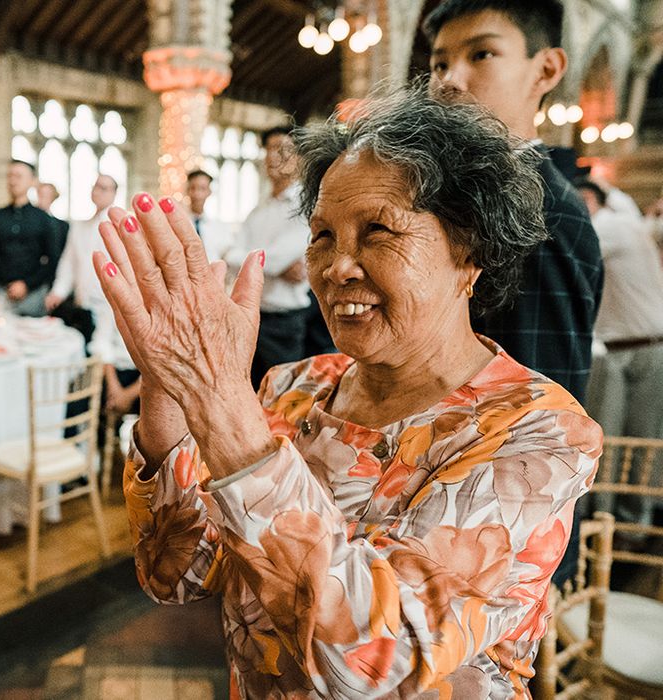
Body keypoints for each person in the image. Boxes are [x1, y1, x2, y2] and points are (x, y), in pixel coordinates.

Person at [92, 86, 601, 698]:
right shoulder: (292, 388)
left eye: (377, 231)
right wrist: (168, 383)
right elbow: (178, 572)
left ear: (469, 253)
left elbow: (370, 656)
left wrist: (218, 400)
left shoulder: (535, 431)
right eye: (323, 235)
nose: (337, 267)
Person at [424, 0, 604, 586]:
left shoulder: (541, 214)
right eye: (439, 61)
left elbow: (534, 411)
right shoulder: (479, 199)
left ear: (546, 70)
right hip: (446, 507)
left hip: (493, 541)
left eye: (481, 54)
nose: (449, 79)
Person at [576, 180, 663, 527]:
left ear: (592, 200)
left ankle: (626, 522)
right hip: (622, 349)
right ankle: (614, 519)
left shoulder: (611, 227)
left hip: (643, 348)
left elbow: (574, 253)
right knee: (620, 438)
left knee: (636, 441)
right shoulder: (623, 223)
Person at [224, 126, 313, 389]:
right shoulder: (258, 210)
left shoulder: (304, 205)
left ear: (298, 158)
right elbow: (231, 256)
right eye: (269, 149)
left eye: (283, 150)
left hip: (284, 322)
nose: (274, 157)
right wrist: (272, 265)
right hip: (250, 316)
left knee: (281, 400)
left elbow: (267, 260)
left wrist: (253, 261)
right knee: (247, 396)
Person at [45, 174, 117, 343]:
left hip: (108, 305)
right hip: (82, 302)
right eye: (95, 187)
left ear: (113, 194)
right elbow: (68, 263)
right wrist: (58, 292)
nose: (98, 191)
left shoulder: (116, 226)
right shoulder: (79, 227)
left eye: (104, 188)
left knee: (104, 353)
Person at [0, 160, 59, 316]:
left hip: (34, 295)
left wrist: (27, 284)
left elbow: (53, 259)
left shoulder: (43, 219)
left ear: (31, 181)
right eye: (10, 175)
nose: (13, 180)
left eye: (18, 176)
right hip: (1, 293)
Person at [185, 169, 233, 262]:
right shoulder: (179, 224)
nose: (197, 194)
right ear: (187, 191)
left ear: (209, 192)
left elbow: (226, 254)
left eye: (202, 189)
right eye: (193, 188)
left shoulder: (220, 227)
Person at [36, 182, 69, 268]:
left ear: (52, 198)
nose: (41, 199)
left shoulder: (62, 226)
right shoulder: (28, 222)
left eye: (46, 196)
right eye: (40, 195)